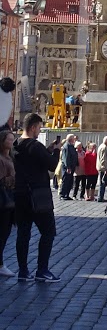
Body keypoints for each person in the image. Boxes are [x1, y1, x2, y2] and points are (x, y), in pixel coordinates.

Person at [13, 112, 59, 283]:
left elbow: (31, 161)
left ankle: (23, 271)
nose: (40, 131)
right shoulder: (35, 145)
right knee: (48, 232)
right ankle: (42, 269)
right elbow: (52, 165)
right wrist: (56, 151)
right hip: (38, 195)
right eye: (39, 127)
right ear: (33, 127)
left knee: (23, 233)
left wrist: (48, 150)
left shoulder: (15, 145)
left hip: (20, 194)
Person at [0, 127, 16, 276]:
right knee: (2, 231)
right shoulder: (1, 159)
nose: (11, 141)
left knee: (6, 231)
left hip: (10, 196)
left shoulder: (11, 157)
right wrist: (12, 179)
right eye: (8, 139)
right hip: (3, 197)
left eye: (12, 139)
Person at [97, 136, 107, 202]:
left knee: (103, 183)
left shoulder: (104, 147)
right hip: (103, 169)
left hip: (104, 168)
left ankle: (101, 197)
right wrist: (106, 169)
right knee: (102, 183)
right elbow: (103, 159)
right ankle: (100, 197)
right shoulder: (103, 147)